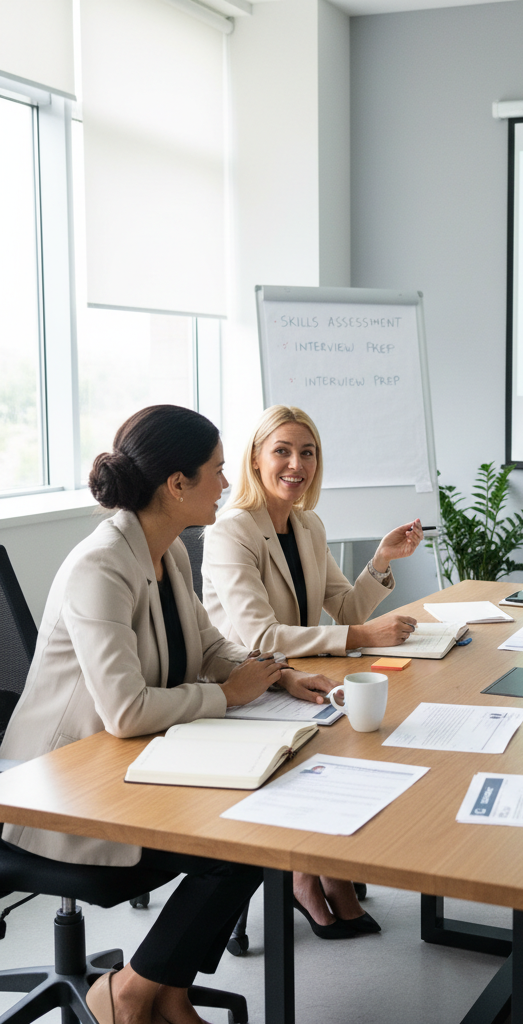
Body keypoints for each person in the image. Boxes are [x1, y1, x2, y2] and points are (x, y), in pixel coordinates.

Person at [0, 405, 310, 1024]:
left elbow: (212, 646)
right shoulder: (101, 566)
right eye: (217, 472)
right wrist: (232, 695)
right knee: (242, 841)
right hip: (64, 786)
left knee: (261, 824)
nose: (227, 484)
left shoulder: (169, 553)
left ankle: (159, 991)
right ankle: (133, 993)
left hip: (135, 761)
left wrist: (278, 675)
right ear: (176, 485)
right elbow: (125, 709)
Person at [203, 404, 423, 938]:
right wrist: (363, 638)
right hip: (246, 684)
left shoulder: (307, 523)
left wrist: (382, 561)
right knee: (345, 735)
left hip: (300, 677)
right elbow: (260, 638)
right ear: (256, 459)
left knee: (371, 727)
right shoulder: (232, 531)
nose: (295, 463)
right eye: (281, 450)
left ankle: (326, 866)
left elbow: (346, 610)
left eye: (307, 452)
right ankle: (310, 874)